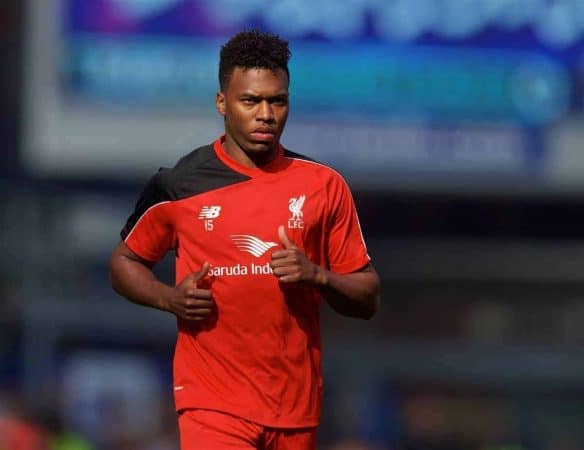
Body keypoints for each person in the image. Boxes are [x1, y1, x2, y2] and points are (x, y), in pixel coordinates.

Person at [109, 29, 380, 450]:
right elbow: (124, 262)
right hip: (211, 401)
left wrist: (317, 276)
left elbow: (367, 296)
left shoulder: (323, 186)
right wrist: (169, 299)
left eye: (278, 100)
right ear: (222, 103)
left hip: (295, 405)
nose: (266, 114)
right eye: (250, 100)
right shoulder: (180, 183)